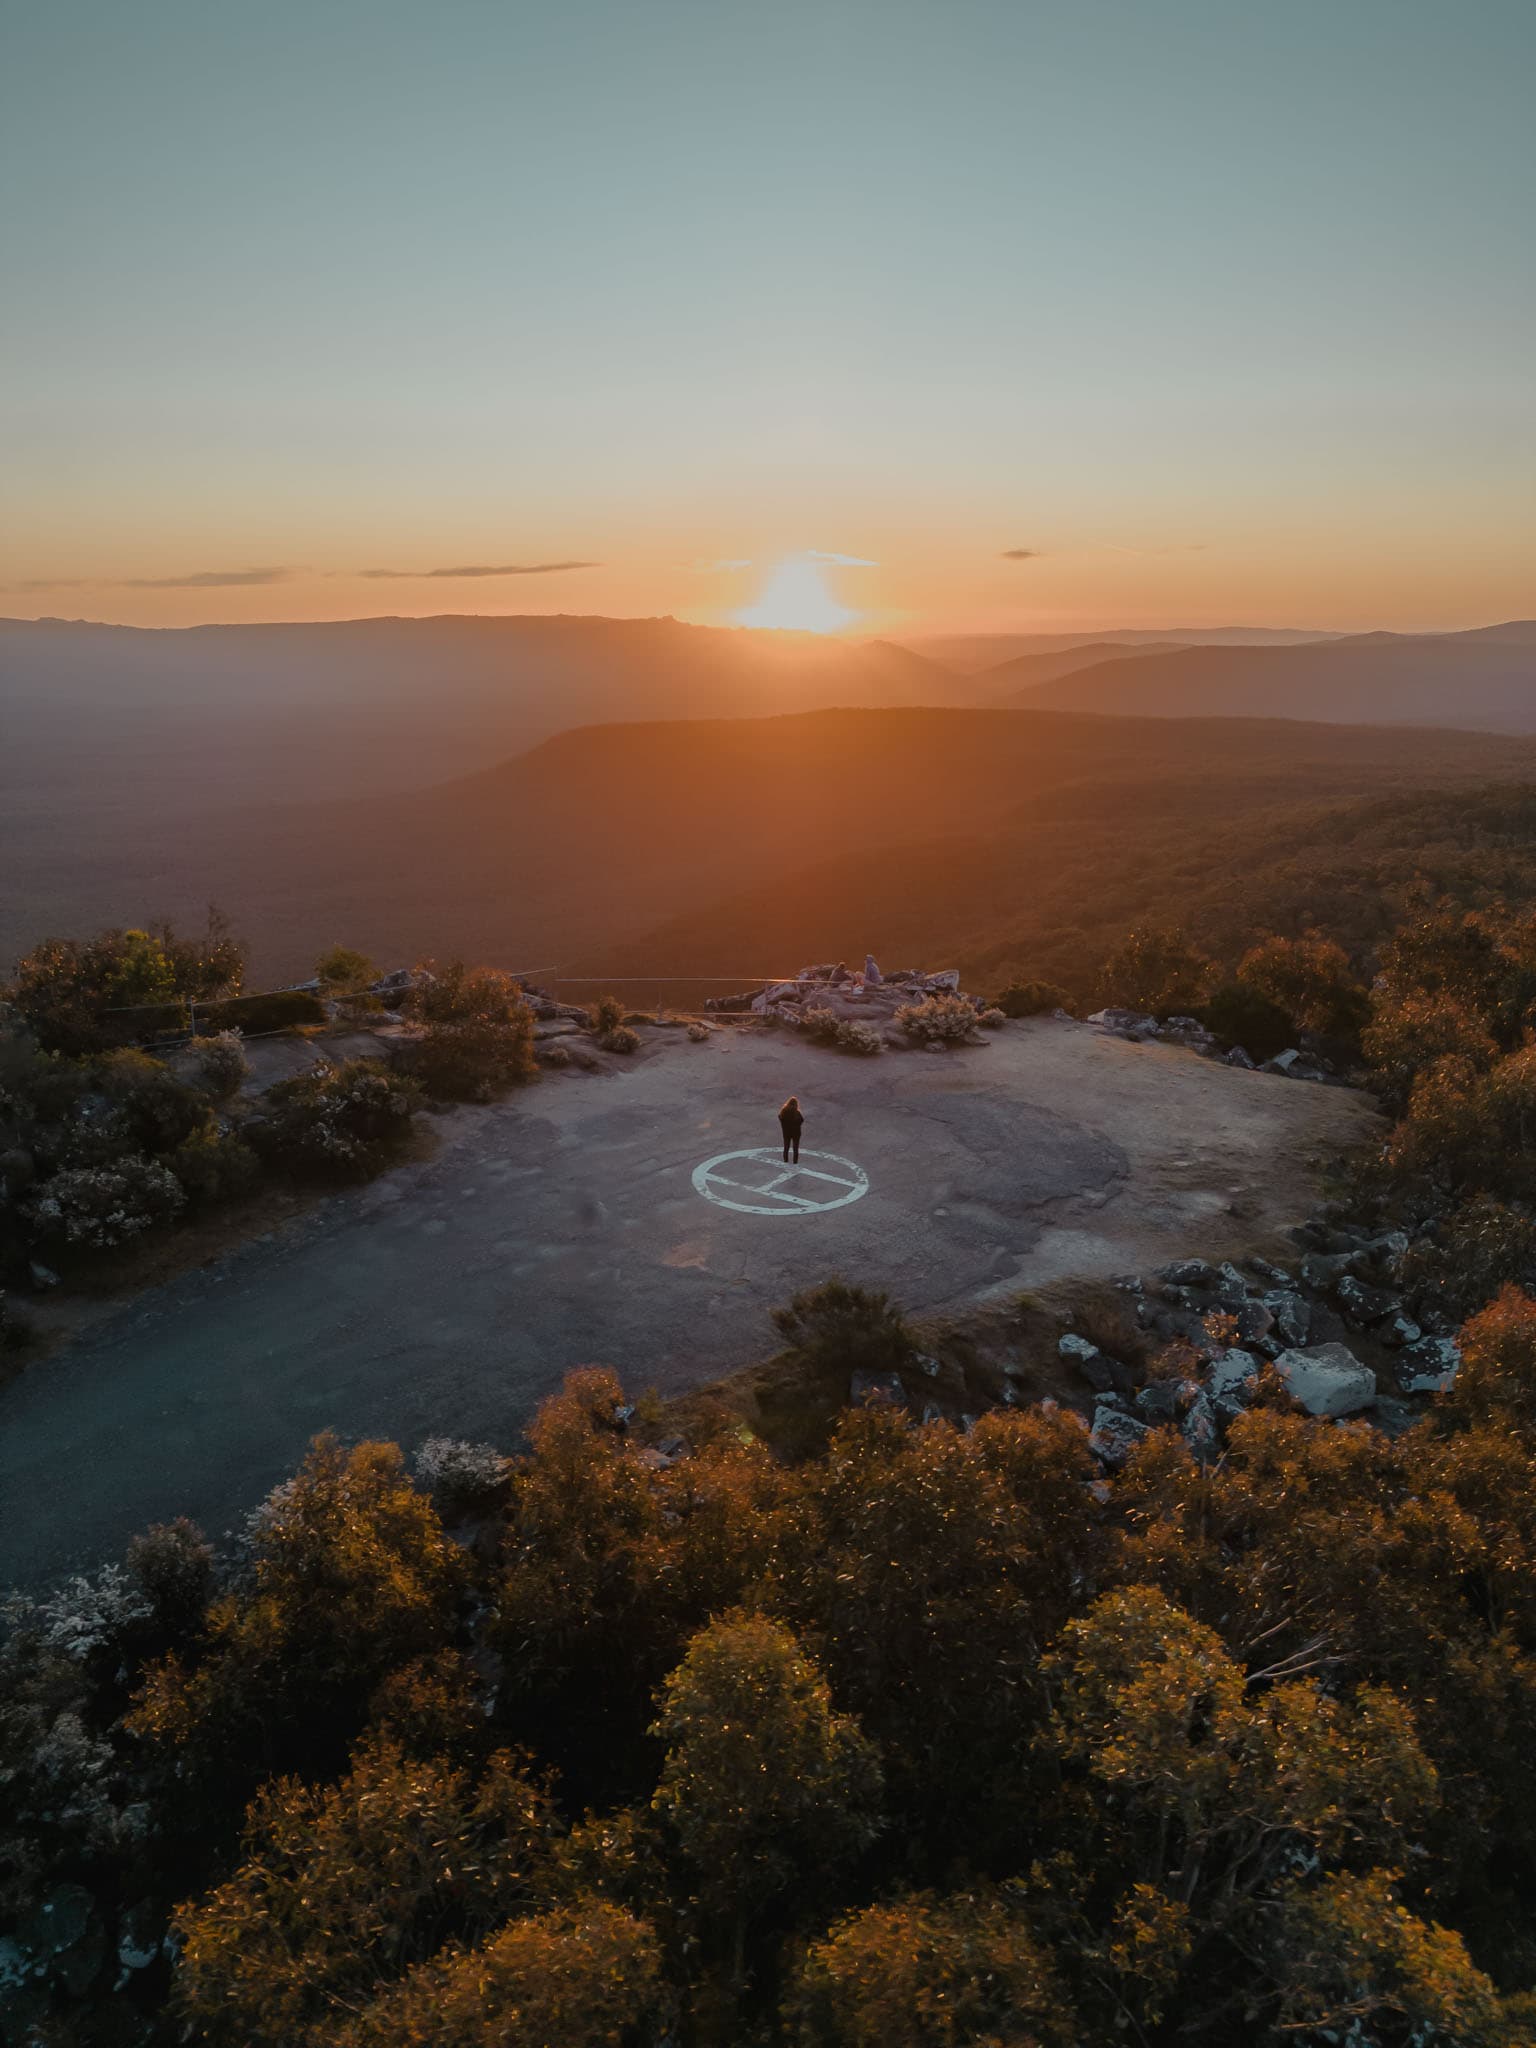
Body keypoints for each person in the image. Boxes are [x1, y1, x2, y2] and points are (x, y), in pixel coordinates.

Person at [778, 1094, 804, 1164]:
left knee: (786, 1147)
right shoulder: (797, 1112)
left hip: (786, 1133)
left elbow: (780, 1117)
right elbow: (801, 1120)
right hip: (796, 1133)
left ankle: (785, 1161)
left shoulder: (784, 1111)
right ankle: (795, 1162)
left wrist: (784, 1125)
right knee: (795, 1148)